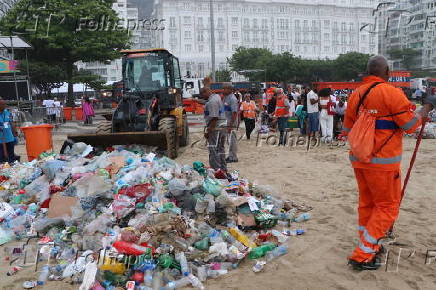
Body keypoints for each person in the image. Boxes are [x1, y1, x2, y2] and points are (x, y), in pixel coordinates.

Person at [343, 55, 434, 271]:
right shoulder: (391, 92)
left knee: (368, 204)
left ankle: (369, 245)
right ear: (386, 73)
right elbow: (410, 125)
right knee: (387, 207)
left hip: (359, 159)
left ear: (368, 71)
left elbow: (347, 130)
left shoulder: (356, 94)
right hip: (383, 163)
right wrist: (427, 108)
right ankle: (363, 254)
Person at [201, 87, 227, 171]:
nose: (202, 97)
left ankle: (216, 170)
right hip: (222, 126)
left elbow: (214, 118)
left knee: (213, 149)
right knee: (220, 148)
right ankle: (223, 169)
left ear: (205, 92)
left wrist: (208, 131)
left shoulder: (212, 102)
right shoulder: (216, 97)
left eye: (202, 95)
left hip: (215, 128)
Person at [223, 83, 239, 163]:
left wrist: (230, 125)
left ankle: (233, 157)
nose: (223, 90)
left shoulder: (232, 99)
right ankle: (230, 156)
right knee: (229, 141)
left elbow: (234, 113)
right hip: (227, 122)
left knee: (232, 140)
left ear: (230, 89)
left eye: (225, 88)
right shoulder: (226, 98)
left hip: (231, 123)